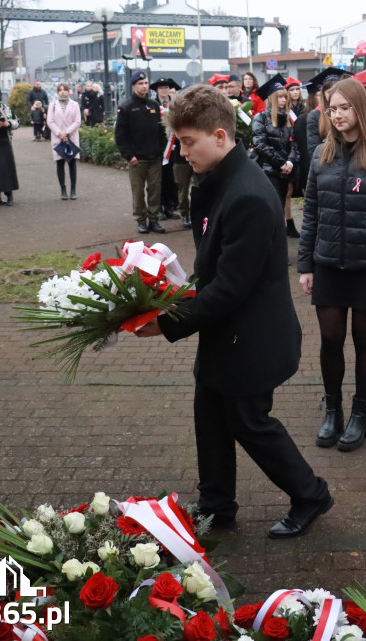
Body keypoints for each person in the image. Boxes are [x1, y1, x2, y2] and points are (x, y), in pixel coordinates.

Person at [135, 84, 333, 539]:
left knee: (249, 421)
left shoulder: (245, 194)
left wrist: (164, 323)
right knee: (210, 412)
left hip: (253, 338)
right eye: (179, 142)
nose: (181, 152)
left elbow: (228, 289)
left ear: (220, 136)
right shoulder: (222, 183)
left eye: (189, 142)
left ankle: (311, 493)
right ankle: (216, 504)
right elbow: (212, 270)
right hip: (229, 334)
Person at [297, 78, 366, 452]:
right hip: (327, 263)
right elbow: (310, 212)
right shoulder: (321, 155)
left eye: (345, 107)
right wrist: (305, 265)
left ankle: (360, 414)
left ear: (360, 109)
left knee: (364, 340)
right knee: (330, 340)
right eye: (332, 108)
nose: (338, 115)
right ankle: (333, 411)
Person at [115, 70, 167, 234]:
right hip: (137, 160)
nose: (144, 86)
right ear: (133, 86)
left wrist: (160, 150)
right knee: (138, 192)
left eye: (146, 83)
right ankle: (141, 220)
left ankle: (154, 220)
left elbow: (161, 131)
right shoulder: (126, 107)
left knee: (155, 190)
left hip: (154, 158)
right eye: (140, 84)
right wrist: (129, 155)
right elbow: (120, 135)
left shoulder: (153, 105)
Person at [251, 75, 299, 237]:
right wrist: (281, 163)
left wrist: (290, 162)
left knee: (279, 208)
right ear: (271, 99)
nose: (284, 100)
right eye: (279, 97)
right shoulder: (261, 118)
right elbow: (259, 144)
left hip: (284, 172)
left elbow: (294, 143)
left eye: (285, 97)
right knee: (273, 210)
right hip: (268, 171)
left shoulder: (287, 119)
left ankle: (276, 246)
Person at [152, 77, 181, 220]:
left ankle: (170, 207)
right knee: (160, 179)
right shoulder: (153, 104)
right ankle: (160, 208)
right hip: (160, 147)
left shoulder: (175, 104)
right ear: (157, 89)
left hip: (174, 146)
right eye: (161, 87)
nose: (164, 90)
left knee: (172, 178)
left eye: (166, 87)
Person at [47, 82, 81, 201]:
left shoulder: (75, 105)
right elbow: (50, 121)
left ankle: (73, 190)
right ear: (57, 92)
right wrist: (59, 133)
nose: (62, 92)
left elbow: (77, 121)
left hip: (70, 137)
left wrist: (66, 132)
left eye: (65, 90)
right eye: (60, 90)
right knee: (60, 163)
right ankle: (63, 189)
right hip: (58, 138)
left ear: (68, 91)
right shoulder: (53, 105)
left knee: (72, 164)